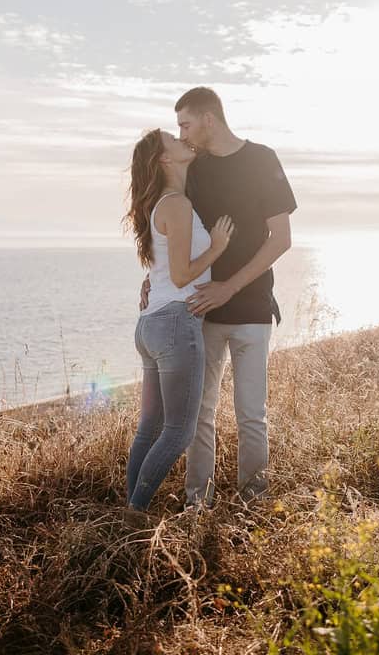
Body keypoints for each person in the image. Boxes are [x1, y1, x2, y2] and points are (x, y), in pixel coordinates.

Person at [143, 87, 297, 507]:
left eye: (185, 124)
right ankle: (198, 505)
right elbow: (174, 230)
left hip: (251, 310)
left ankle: (253, 504)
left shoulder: (263, 160)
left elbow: (280, 239)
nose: (183, 133)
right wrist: (153, 280)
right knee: (200, 416)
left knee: (252, 415)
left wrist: (230, 286)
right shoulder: (195, 168)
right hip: (199, 314)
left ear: (208, 119)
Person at [123, 128, 234, 512]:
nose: (182, 140)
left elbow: (168, 270)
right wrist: (217, 249)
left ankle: (129, 510)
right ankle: (134, 514)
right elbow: (184, 275)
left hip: (151, 324)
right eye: (173, 139)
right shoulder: (177, 205)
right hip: (175, 323)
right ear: (165, 159)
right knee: (178, 432)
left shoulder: (164, 204)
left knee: (150, 428)